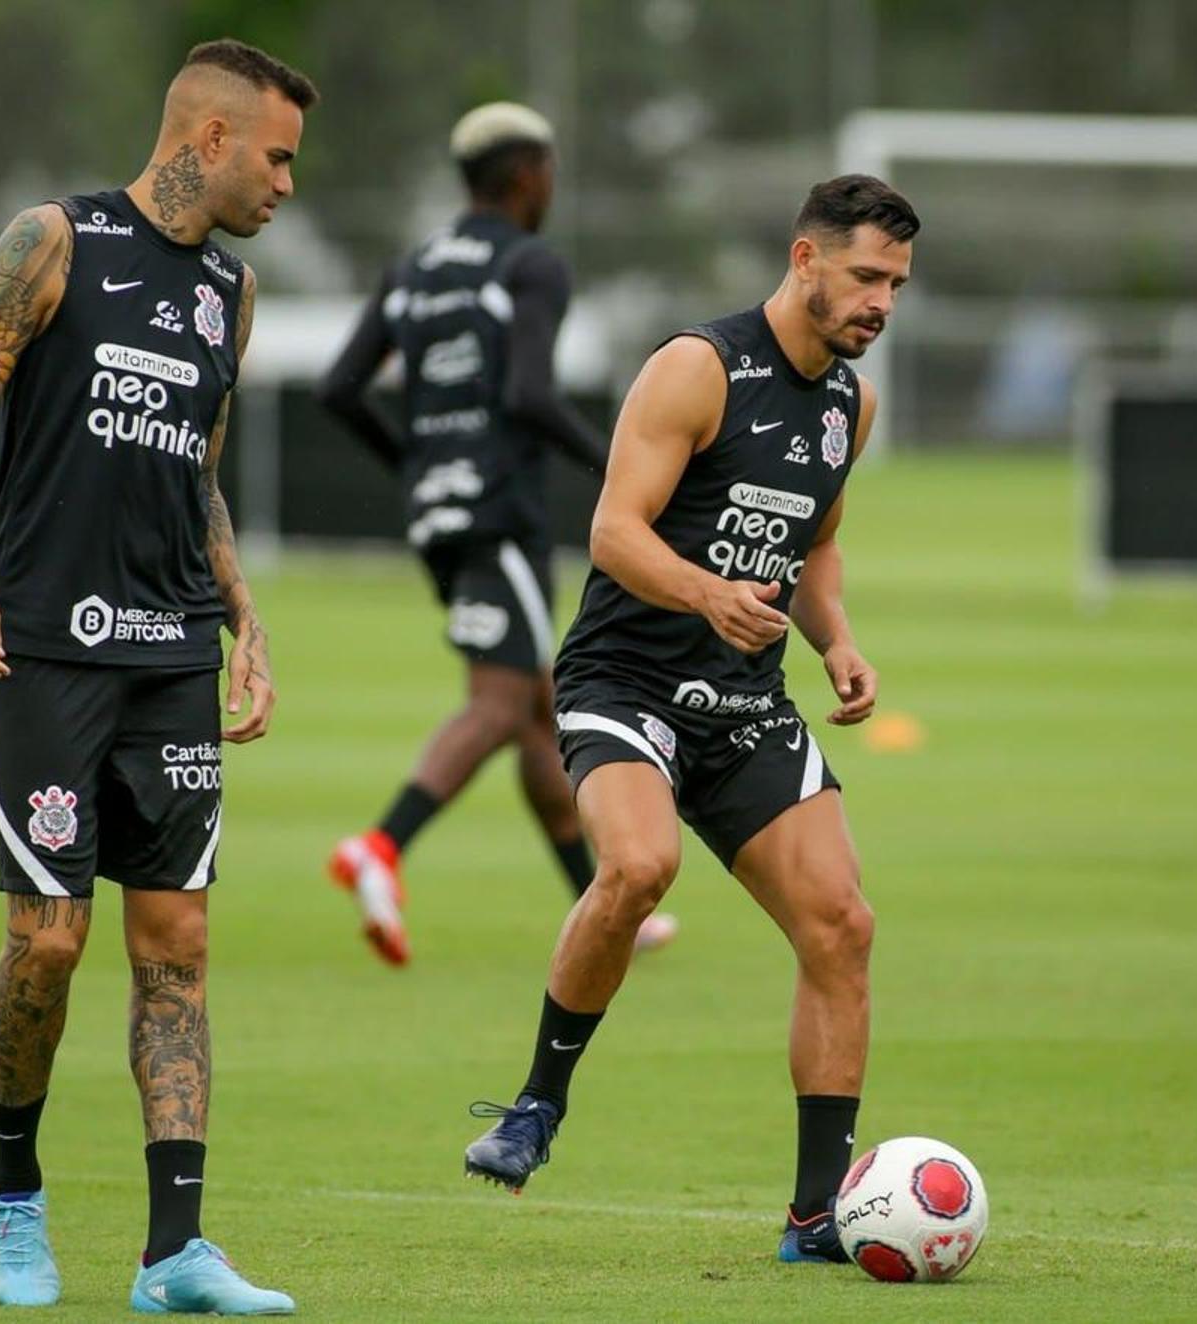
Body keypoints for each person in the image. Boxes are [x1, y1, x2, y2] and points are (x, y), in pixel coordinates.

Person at [0, 38, 314, 1314]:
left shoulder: (231, 298)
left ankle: (174, 1255)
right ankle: (15, 1197)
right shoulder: (54, 241)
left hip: (170, 655)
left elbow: (194, 471)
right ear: (207, 139)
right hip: (41, 645)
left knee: (177, 946)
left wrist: (242, 614)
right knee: (49, 941)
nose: (286, 184)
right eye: (277, 156)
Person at [461, 175, 920, 1265]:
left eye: (897, 284)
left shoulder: (849, 404)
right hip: (627, 682)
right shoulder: (697, 368)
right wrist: (706, 591)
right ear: (805, 260)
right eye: (865, 276)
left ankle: (816, 1216)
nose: (882, 303)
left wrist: (838, 640)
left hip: (744, 705)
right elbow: (615, 530)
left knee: (842, 926)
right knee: (636, 867)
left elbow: (814, 544)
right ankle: (535, 1107)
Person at [317, 102, 676, 966]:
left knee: (542, 710)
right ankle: (382, 845)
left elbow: (339, 388)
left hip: (437, 516)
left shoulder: (415, 267)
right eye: (549, 171)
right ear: (525, 176)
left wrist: (414, 461)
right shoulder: (531, 264)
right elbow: (528, 397)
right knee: (502, 703)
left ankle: (608, 902)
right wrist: (619, 468)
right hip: (499, 516)